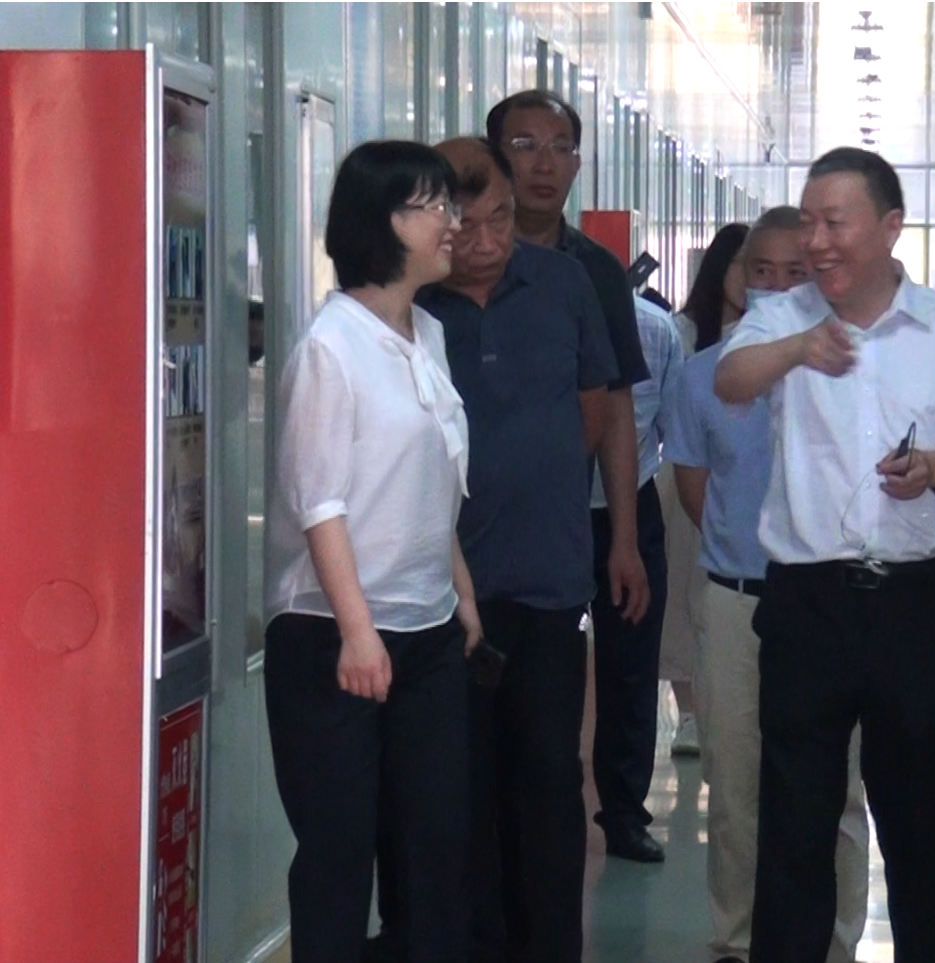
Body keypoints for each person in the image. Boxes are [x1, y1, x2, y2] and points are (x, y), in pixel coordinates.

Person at [715, 147, 935, 963]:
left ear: (890, 227)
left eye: (835, 222)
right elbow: (731, 380)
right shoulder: (781, 318)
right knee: (796, 819)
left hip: (920, 605)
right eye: (808, 221)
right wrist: (798, 348)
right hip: (807, 603)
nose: (817, 241)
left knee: (925, 819)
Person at [262, 140, 478, 963]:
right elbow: (320, 503)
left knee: (434, 846)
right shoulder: (331, 347)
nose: (453, 222)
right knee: (339, 852)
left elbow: (433, 475)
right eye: (437, 206)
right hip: (333, 638)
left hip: (426, 632)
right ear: (382, 222)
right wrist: (358, 632)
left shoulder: (428, 334)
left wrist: (460, 592)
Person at [408, 137, 616, 963]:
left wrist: (539, 483)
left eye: (500, 217)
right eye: (469, 226)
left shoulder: (562, 283)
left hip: (547, 582)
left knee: (548, 778)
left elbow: (593, 410)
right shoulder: (412, 305)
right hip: (438, 593)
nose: (490, 239)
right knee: (457, 789)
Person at [666, 206, 870, 963]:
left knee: (839, 791)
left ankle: (835, 944)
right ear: (736, 278)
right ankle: (737, 940)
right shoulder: (703, 377)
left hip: (832, 602)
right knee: (736, 786)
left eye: (797, 273)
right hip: (736, 597)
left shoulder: (854, 368)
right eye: (762, 271)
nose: (778, 287)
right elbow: (697, 492)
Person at [486, 88, 653, 637]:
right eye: (524, 145)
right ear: (494, 157)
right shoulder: (458, 262)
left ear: (578, 164)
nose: (544, 164)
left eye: (561, 148)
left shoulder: (597, 272)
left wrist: (625, 541)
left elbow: (617, 410)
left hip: (556, 530)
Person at [582, 288, 684, 863]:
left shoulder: (655, 329)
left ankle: (624, 812)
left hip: (633, 506)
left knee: (632, 665)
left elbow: (671, 424)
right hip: (551, 506)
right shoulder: (539, 313)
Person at [662, 221, 752, 758]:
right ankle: (691, 709)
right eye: (745, 265)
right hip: (687, 475)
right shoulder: (683, 332)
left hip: (740, 487)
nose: (753, 279)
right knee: (686, 596)